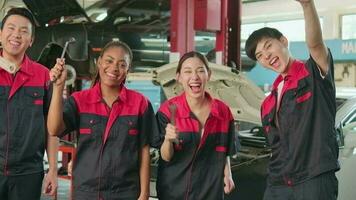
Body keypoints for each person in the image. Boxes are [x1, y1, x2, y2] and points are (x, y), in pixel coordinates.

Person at [245, 0, 339, 199]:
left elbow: (315, 44)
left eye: (268, 46)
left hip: (313, 179)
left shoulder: (312, 73)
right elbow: (276, 146)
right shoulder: (268, 102)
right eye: (260, 55)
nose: (266, 56)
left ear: (284, 41)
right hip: (278, 183)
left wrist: (307, 5)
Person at [48, 41, 156, 200]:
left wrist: (144, 194)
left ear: (128, 69)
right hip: (87, 192)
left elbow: (144, 149)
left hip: (126, 193)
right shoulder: (79, 100)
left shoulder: (141, 104)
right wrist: (58, 87)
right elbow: (54, 129)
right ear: (99, 62)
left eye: (122, 64)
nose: (114, 68)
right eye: (109, 61)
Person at [154, 51, 237, 200]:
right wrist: (168, 139)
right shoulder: (167, 111)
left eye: (200, 71)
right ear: (179, 77)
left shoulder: (223, 112)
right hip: (174, 192)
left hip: (210, 191)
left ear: (209, 75)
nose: (195, 77)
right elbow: (166, 157)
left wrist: (228, 173)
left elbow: (225, 150)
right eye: (187, 71)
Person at [0, 8, 58, 200]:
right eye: (11, 28)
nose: (16, 35)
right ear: (1, 34)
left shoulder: (43, 76)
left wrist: (53, 170)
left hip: (28, 173)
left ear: (31, 41)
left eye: (24, 31)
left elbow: (52, 127)